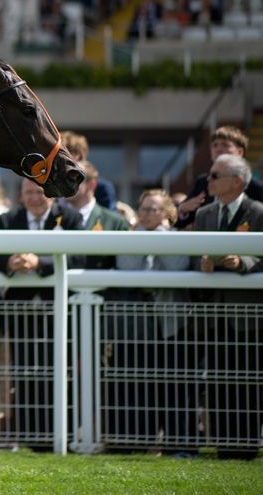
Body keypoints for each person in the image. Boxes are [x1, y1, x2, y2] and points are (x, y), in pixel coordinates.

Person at [0, 179, 84, 447]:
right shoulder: (8, 219)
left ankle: (59, 435)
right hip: (20, 312)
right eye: (28, 192)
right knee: (22, 373)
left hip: (57, 311)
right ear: (20, 196)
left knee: (58, 371)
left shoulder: (70, 217)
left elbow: (80, 256)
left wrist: (40, 263)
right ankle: (28, 435)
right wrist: (9, 261)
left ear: (51, 195)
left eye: (39, 192)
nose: (34, 198)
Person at [107, 189, 193, 452]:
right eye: (142, 208)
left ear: (167, 213)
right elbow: (127, 266)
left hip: (169, 323)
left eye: (152, 209)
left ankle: (176, 445)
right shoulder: (130, 237)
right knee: (134, 384)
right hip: (135, 325)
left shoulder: (179, 238)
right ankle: (134, 442)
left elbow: (177, 266)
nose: (145, 214)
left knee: (171, 386)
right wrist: (142, 236)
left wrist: (160, 237)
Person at [191, 154, 262, 460]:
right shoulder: (205, 213)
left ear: (237, 181)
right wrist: (202, 261)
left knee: (246, 381)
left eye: (215, 175)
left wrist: (242, 263)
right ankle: (222, 444)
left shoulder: (257, 211)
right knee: (218, 381)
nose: (209, 180)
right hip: (213, 312)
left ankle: (245, 446)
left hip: (245, 315)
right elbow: (191, 253)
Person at [176, 125, 263, 229]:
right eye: (215, 145)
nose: (218, 149)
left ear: (240, 152)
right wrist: (182, 210)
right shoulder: (203, 182)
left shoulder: (256, 193)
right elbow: (182, 221)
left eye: (225, 145)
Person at [64, 161, 130, 270]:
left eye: (73, 179)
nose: (66, 184)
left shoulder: (115, 222)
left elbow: (122, 267)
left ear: (91, 184)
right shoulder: (53, 217)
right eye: (64, 179)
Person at [61, 130, 116, 211]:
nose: (62, 159)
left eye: (66, 153)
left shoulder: (102, 188)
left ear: (78, 155)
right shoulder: (52, 184)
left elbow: (108, 219)